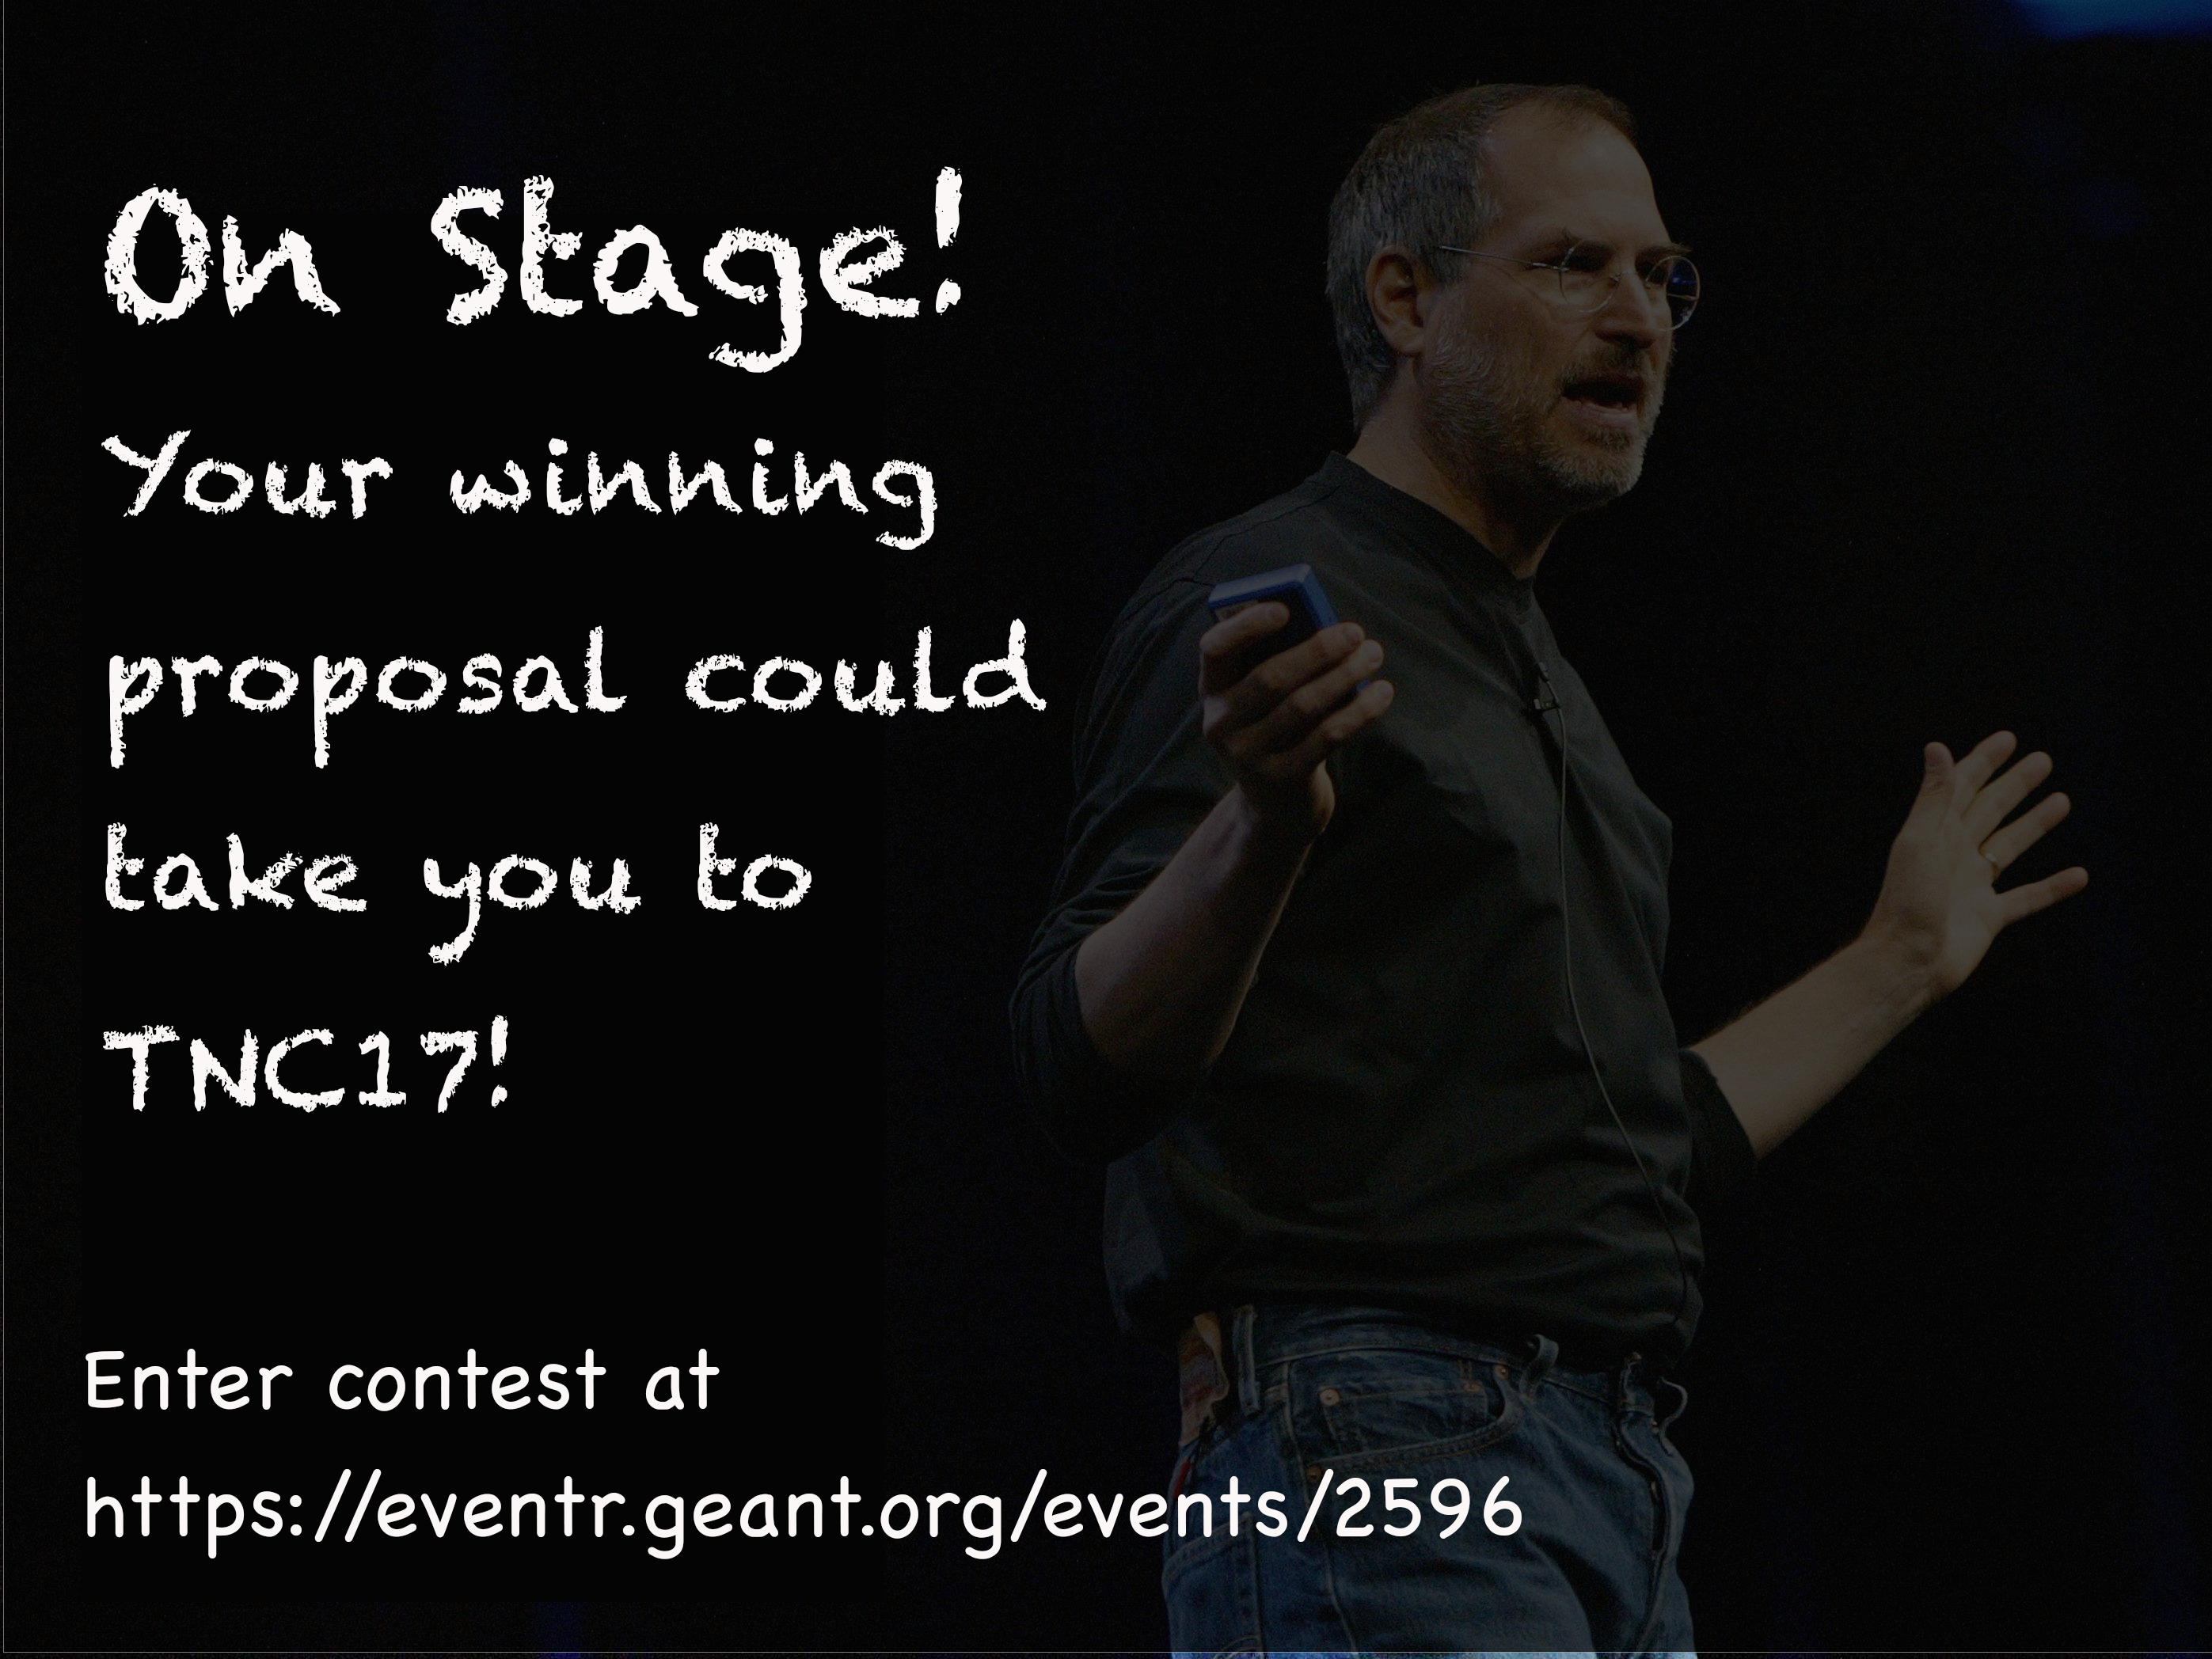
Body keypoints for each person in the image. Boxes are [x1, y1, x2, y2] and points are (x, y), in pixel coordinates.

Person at [1009, 82, 2085, 1654]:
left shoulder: (1544, 689)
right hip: (1383, 1441)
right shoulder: (1264, 604)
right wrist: (1260, 826)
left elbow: (1631, 1153)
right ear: (1405, 299)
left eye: (1662, 276)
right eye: (1574, 264)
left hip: (1609, 1466)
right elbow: (1071, 1057)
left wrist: (1898, 958)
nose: (1637, 319)